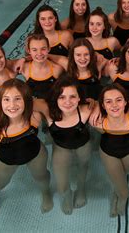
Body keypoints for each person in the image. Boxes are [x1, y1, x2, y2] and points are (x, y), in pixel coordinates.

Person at [0, 79, 53, 221]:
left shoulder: (34, 116)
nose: (12, 105)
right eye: (6, 99)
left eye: (17, 99)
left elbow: (43, 105)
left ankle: (46, 192)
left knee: (42, 176)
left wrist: (50, 123)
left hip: (36, 153)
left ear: (26, 100)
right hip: (6, 160)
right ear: (0, 103)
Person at [35, 75, 95, 215]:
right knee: (61, 184)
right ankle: (66, 196)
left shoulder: (86, 110)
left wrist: (94, 102)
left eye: (72, 97)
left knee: (83, 167)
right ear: (55, 98)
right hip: (61, 148)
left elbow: (107, 103)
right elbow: (23, 100)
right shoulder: (47, 109)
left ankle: (81, 189)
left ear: (80, 98)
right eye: (62, 97)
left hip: (83, 145)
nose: (67, 102)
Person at [92, 84, 129, 217]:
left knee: (121, 176)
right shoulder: (97, 122)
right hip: (108, 153)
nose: (114, 105)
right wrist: (94, 107)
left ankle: (118, 189)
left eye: (119, 100)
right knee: (124, 191)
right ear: (103, 106)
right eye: (108, 101)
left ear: (125, 102)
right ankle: (121, 197)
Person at [21, 33, 64, 100]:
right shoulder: (24, 68)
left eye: (43, 49)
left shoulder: (57, 69)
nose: (39, 53)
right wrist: (23, 59)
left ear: (49, 49)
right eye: (34, 50)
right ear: (29, 51)